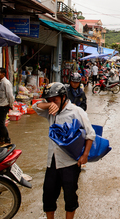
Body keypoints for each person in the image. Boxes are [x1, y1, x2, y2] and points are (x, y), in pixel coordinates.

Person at [33, 83, 95, 219]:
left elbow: (91, 134)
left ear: (63, 97)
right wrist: (49, 105)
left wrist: (84, 156)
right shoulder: (51, 111)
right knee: (48, 197)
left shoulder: (76, 111)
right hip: (52, 162)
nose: (52, 103)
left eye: (55, 99)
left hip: (70, 163)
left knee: (70, 198)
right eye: (49, 100)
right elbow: (34, 107)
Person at [0, 67, 15, 146]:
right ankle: (2, 139)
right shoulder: (0, 82)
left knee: (2, 124)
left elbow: (10, 96)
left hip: (3, 106)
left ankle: (7, 140)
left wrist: (11, 105)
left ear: (3, 74)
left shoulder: (6, 83)